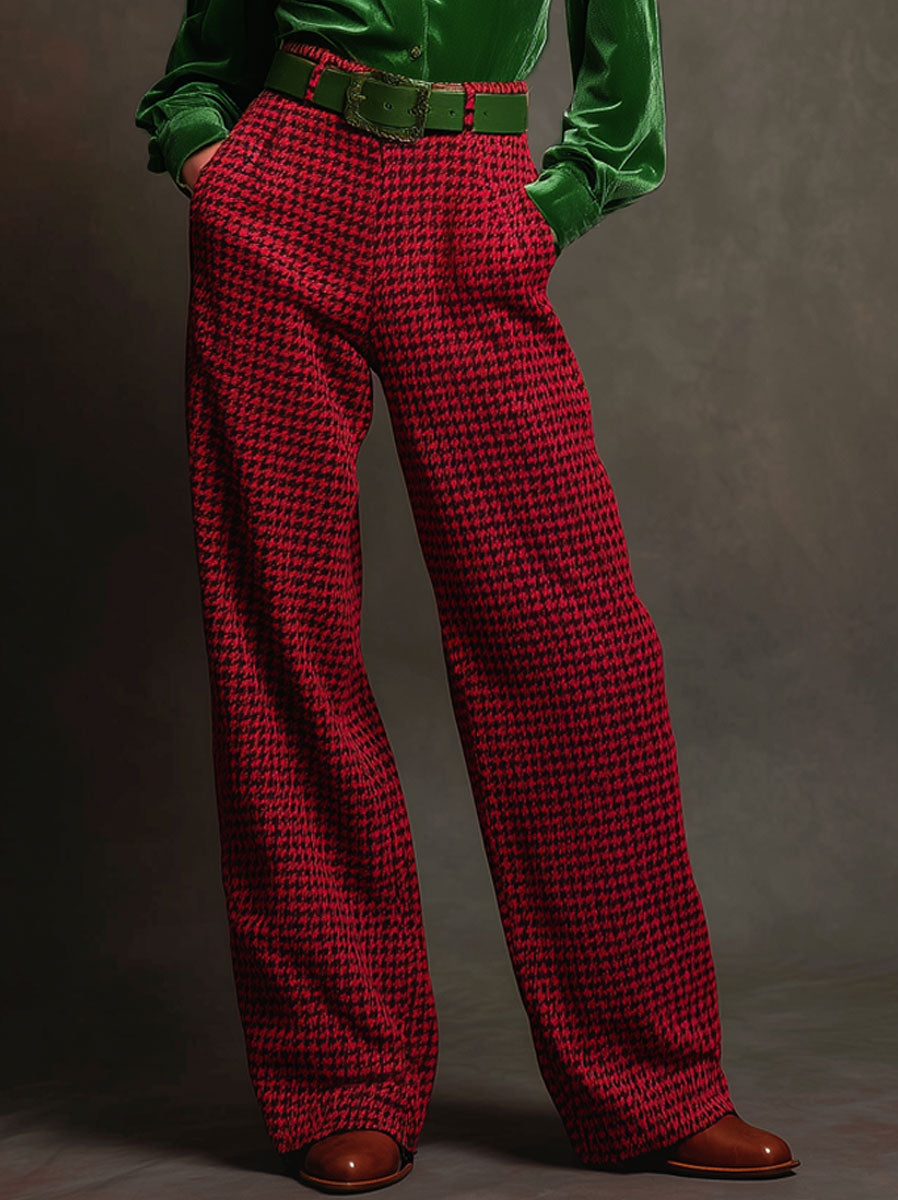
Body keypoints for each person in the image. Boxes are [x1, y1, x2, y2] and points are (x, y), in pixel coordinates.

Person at [134, 1, 800, 1192]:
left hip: (471, 200)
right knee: (284, 648)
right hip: (283, 187)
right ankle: (342, 1079)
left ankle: (652, 1083)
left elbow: (624, 74)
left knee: (579, 650)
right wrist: (208, 155)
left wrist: (554, 206)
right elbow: (210, 53)